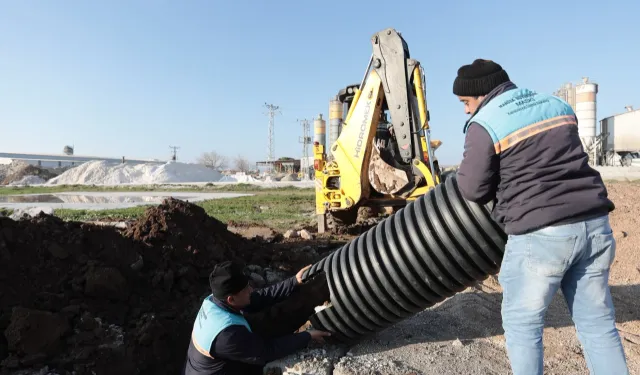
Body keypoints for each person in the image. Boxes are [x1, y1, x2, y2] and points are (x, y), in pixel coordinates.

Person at [452, 59, 629, 375]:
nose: (466, 110)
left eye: (466, 102)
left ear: (480, 94)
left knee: (523, 323)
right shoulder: (556, 104)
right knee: (597, 323)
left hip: (542, 234)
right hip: (594, 225)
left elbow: (473, 188)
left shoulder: (486, 122)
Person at [182, 261, 331, 375]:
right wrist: (307, 336)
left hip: (217, 359)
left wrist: (293, 281)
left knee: (268, 318)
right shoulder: (227, 336)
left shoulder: (214, 299)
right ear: (231, 300)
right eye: (246, 289)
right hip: (219, 371)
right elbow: (267, 351)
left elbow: (259, 298)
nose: (251, 290)